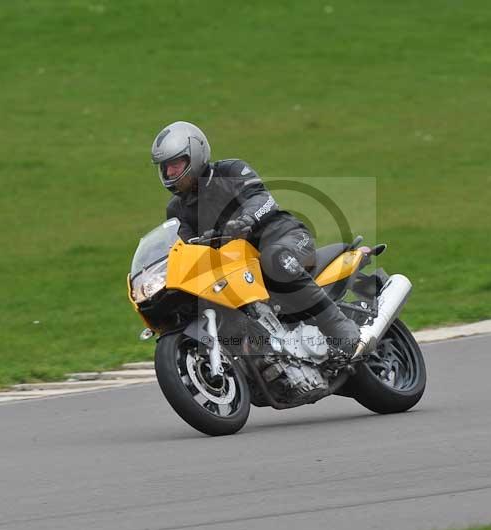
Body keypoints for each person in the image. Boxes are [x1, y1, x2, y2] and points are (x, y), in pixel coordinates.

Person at [151, 120, 360, 357]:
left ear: (195, 155)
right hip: (237, 266)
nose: (169, 173)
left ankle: (340, 328)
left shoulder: (231, 171)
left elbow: (263, 199)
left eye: (175, 164)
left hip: (287, 237)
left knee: (274, 260)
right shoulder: (176, 209)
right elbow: (184, 248)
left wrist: (246, 218)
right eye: (165, 167)